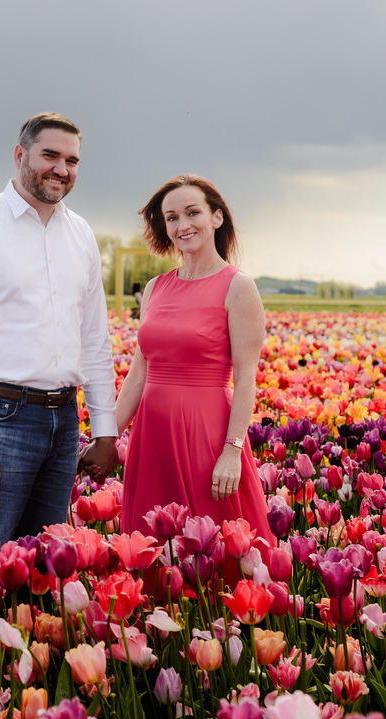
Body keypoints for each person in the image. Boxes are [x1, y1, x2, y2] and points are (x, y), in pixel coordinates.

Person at [0, 112, 119, 541]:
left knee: (44, 563)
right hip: (1, 418)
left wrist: (105, 430)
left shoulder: (81, 234)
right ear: (20, 155)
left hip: (64, 418)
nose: (61, 169)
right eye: (49, 155)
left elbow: (94, 338)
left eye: (71, 160)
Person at [115, 175, 272, 545]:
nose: (182, 225)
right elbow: (139, 373)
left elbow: (246, 379)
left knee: (212, 545)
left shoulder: (238, 286)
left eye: (192, 212)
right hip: (152, 437)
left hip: (206, 434)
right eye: (171, 217)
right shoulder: (155, 287)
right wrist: (106, 438)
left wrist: (232, 451)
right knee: (152, 546)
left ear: (216, 217)